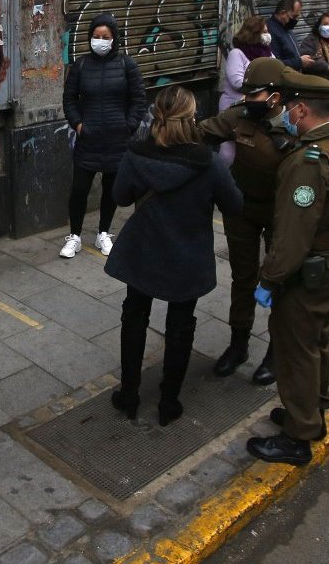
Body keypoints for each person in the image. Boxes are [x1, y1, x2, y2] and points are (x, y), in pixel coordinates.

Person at [245, 73, 329, 466]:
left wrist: (269, 278)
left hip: (307, 269)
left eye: (290, 109)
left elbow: (293, 235)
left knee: (296, 349)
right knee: (317, 341)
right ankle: (312, 408)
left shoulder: (308, 162)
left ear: (301, 109)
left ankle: (298, 435)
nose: (287, 117)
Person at [105, 86, 243, 426]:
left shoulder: (137, 153)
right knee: (181, 327)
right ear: (191, 118)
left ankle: (130, 394)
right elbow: (235, 205)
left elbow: (120, 196)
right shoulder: (208, 162)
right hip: (187, 256)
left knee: (134, 316)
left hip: (143, 251)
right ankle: (169, 402)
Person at [199, 58, 298, 385]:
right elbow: (201, 131)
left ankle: (276, 351)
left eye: (255, 94)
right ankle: (238, 343)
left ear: (275, 97)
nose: (247, 100)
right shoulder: (240, 116)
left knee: (277, 281)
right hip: (241, 208)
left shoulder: (296, 124)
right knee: (243, 277)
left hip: (279, 214)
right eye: (246, 93)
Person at [60, 13, 146, 259]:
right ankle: (74, 236)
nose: (100, 41)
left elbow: (138, 99)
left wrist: (128, 126)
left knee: (111, 190)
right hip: (88, 139)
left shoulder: (126, 65)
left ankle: (103, 233)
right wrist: (77, 125)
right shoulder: (81, 65)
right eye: (96, 37)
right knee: (79, 190)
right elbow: (69, 99)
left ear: (114, 39)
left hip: (117, 141)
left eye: (105, 37)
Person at [218, 15, 275, 112]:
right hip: (234, 107)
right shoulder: (237, 54)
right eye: (264, 32)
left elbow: (276, 73)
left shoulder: (268, 53)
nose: (268, 35)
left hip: (260, 107)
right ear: (255, 34)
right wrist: (265, 83)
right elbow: (237, 82)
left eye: (267, 31)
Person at [266, 0, 308, 72]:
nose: (295, 20)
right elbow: (273, 63)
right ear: (283, 13)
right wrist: (299, 62)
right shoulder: (270, 31)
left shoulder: (286, 27)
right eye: (294, 16)